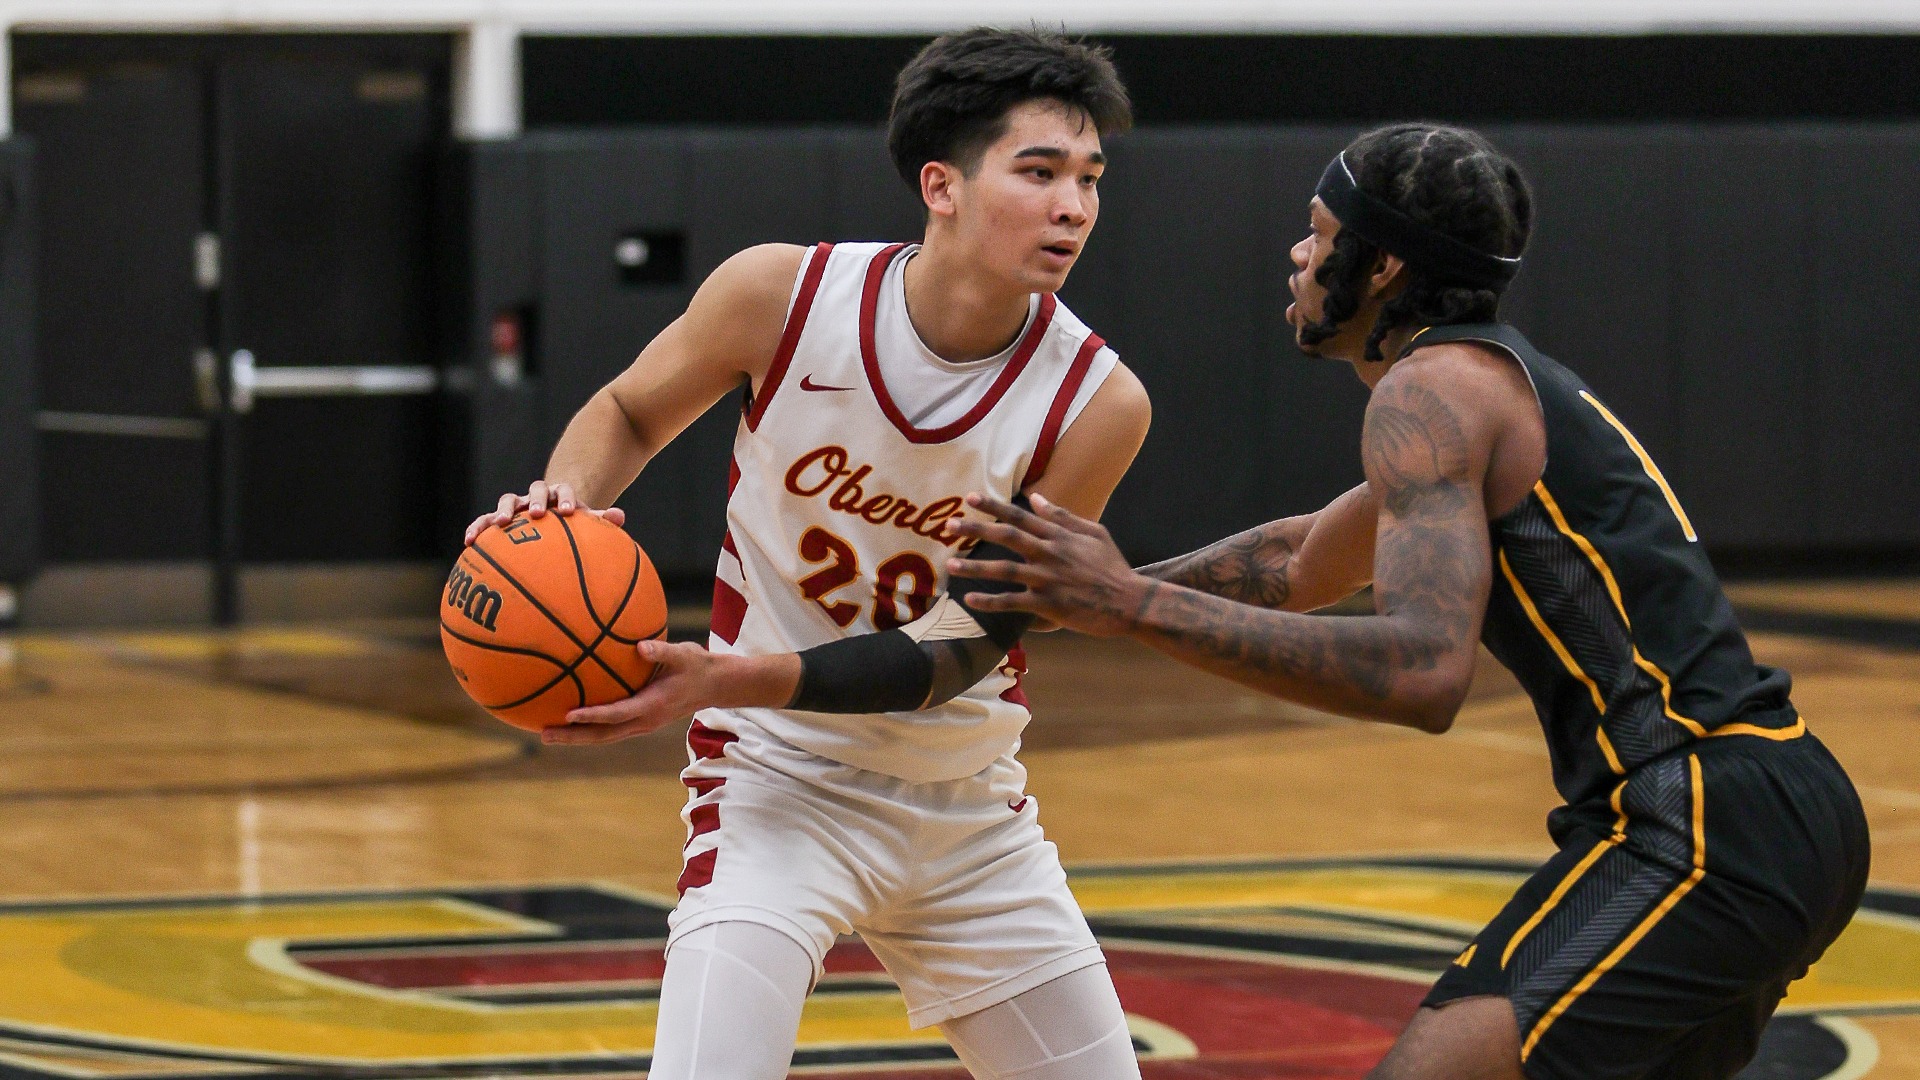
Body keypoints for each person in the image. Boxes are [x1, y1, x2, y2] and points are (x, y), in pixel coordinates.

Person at [943, 123, 1871, 1080]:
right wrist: (1066, 598)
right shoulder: (1482, 380)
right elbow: (1305, 556)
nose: (1299, 254)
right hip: (1773, 805)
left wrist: (1128, 606)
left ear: (1380, 264)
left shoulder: (1433, 388)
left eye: (1319, 232)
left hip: (1706, 821)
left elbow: (1423, 672)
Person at [466, 28, 1152, 1080]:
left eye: (1090, 178)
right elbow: (630, 413)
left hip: (966, 809)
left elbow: (958, 652)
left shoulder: (1095, 402)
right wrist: (560, 510)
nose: (1075, 206)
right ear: (942, 185)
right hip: (776, 787)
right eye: (1040, 171)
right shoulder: (781, 298)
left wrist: (727, 675)